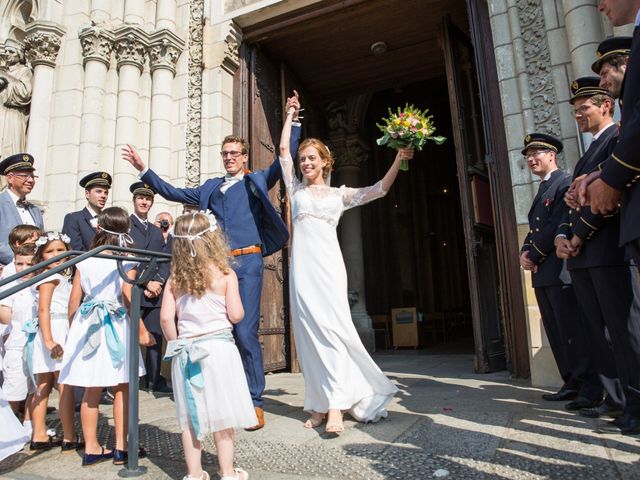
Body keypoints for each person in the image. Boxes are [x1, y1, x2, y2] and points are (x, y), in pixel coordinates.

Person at [122, 123, 302, 430]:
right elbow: (173, 192)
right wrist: (144, 170)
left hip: (248, 263)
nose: (229, 157)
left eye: (235, 153)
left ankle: (254, 401)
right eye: (225, 153)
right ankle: (220, 394)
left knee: (244, 331)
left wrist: (293, 122)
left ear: (245, 157)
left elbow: (283, 158)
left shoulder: (256, 180)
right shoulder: (209, 188)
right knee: (218, 332)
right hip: (215, 266)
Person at [278, 93, 404, 433]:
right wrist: (291, 115)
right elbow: (281, 154)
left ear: (324, 162)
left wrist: (399, 158)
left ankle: (336, 406)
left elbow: (378, 190)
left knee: (332, 334)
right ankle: (318, 403)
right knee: (308, 338)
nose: (305, 163)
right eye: (303, 158)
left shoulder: (338, 196)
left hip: (329, 271)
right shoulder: (295, 191)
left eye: (311, 158)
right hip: (302, 273)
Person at [556, 79, 636, 419]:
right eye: (574, 110)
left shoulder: (618, 140)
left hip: (605, 249)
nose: (578, 115)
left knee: (622, 330)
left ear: (605, 105)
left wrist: (577, 236)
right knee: (599, 331)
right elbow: (571, 203)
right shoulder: (586, 154)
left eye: (583, 108)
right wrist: (563, 236)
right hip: (583, 255)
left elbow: (607, 200)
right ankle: (615, 398)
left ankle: (634, 400)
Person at [161, 212, 255, 480]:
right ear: (212, 240)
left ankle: (194, 473)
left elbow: (167, 318)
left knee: (190, 416)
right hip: (219, 350)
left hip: (186, 351)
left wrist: (175, 343)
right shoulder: (225, 274)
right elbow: (236, 315)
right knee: (222, 415)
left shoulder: (175, 279)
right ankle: (227, 472)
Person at [58, 207, 152, 466]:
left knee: (91, 387)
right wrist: (141, 329)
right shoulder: (126, 258)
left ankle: (91, 447)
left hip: (87, 324)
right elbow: (126, 294)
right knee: (122, 385)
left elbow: (74, 300)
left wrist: (74, 331)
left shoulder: (85, 259)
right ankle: (122, 446)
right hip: (115, 321)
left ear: (99, 229)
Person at [519, 134, 586, 402]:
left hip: (559, 270)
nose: (531, 159)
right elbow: (535, 228)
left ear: (551, 155)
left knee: (571, 330)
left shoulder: (563, 182)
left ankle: (585, 383)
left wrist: (533, 254)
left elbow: (556, 224)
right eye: (528, 156)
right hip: (543, 273)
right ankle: (570, 381)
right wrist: (525, 250)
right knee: (556, 331)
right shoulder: (544, 187)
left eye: (536, 153)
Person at [26, 232, 79, 452]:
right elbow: (43, 309)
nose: (56, 255)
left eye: (60, 250)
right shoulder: (50, 277)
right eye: (50, 251)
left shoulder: (58, 275)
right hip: (54, 333)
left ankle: (39, 434)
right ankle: (69, 435)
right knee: (62, 384)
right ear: (41, 255)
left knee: (45, 383)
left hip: (54, 330)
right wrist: (49, 340)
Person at [129, 182, 171, 394]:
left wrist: (160, 282)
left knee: (155, 335)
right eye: (140, 198)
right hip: (134, 287)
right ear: (134, 200)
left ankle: (154, 380)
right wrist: (146, 282)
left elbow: (164, 260)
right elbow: (130, 258)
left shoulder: (156, 231)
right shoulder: (126, 225)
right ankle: (131, 379)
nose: (144, 202)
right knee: (130, 334)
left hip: (155, 290)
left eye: (148, 199)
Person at [0, 244, 36, 426]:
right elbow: (5, 317)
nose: (23, 269)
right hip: (16, 343)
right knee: (14, 388)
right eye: (18, 264)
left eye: (29, 264)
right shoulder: (11, 284)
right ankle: (8, 426)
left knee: (34, 388)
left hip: (36, 345)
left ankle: (29, 424)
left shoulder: (39, 284)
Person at [0, 153, 44, 266]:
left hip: (34, 270)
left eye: (33, 176)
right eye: (24, 176)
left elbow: (41, 241)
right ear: (10, 178)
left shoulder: (35, 210)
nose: (30, 180)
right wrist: (20, 263)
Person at [62, 172, 112, 252]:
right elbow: (74, 251)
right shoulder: (74, 219)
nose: (103, 196)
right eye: (98, 191)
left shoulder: (109, 221)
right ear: (87, 194)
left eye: (106, 192)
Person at [0, 39, 32, 161]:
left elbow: (24, 93)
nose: (7, 54)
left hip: (13, 117)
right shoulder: (4, 72)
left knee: (9, 152)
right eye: (6, 51)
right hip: (2, 112)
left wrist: (6, 77)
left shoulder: (25, 71)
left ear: (19, 55)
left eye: (11, 51)